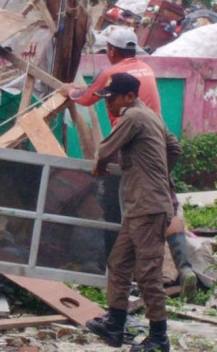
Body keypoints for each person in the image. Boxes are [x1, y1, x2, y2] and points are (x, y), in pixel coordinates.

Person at [60, 28, 197, 300]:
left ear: (111, 50)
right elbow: (174, 147)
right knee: (167, 202)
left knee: (114, 203)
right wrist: (164, 167)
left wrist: (70, 91)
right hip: (158, 143)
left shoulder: (115, 75)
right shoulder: (146, 69)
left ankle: (114, 272)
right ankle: (185, 267)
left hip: (132, 146)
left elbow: (87, 97)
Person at [87, 73, 181, 352]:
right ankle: (115, 324)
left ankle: (158, 338)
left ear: (129, 96)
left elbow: (104, 150)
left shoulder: (133, 117)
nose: (109, 104)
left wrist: (100, 163)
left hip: (148, 208)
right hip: (139, 207)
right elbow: (175, 148)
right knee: (118, 262)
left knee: (148, 273)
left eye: (112, 98)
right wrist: (157, 173)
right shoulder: (151, 116)